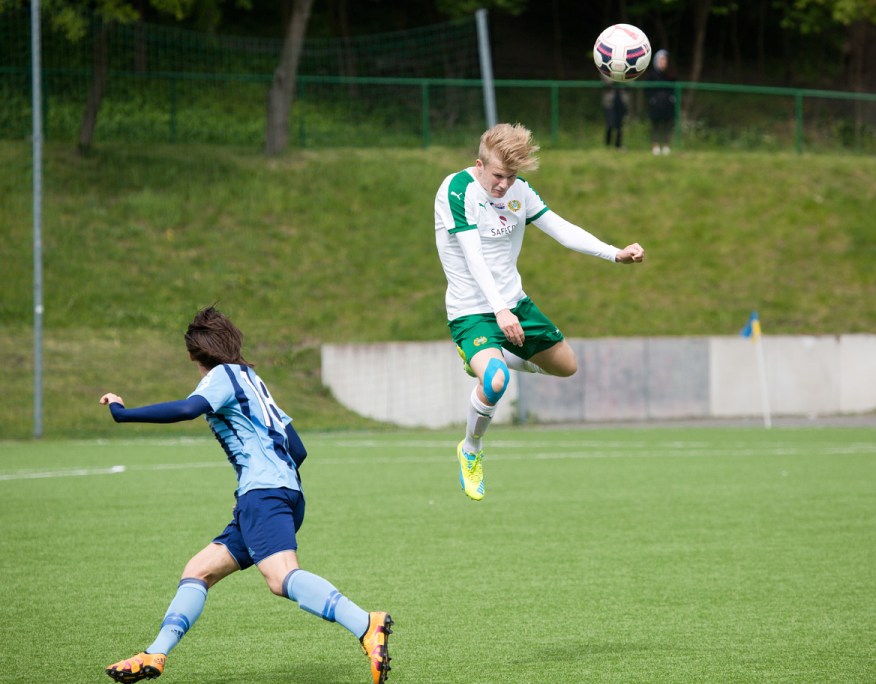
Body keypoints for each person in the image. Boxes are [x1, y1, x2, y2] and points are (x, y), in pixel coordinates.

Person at [99, 306, 393, 684]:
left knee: (280, 577)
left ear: (193, 354)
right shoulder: (252, 380)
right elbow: (297, 448)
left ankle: (366, 623)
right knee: (198, 571)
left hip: (263, 495)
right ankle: (155, 653)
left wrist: (123, 413)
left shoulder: (221, 377)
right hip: (282, 493)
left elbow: (189, 409)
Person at [433, 123, 645, 501]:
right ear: (479, 165)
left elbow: (561, 230)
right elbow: (473, 256)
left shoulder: (519, 191)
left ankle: (485, 358)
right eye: (498, 176)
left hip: (515, 304)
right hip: (472, 310)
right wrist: (500, 312)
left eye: (511, 177)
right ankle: (471, 449)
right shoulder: (456, 190)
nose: (504, 185)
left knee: (566, 366)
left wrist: (615, 253)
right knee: (495, 380)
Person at [645, 49, 676, 155]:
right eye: (661, 60)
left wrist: (672, 98)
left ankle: (666, 146)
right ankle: (655, 146)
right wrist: (652, 99)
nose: (664, 62)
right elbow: (647, 89)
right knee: (656, 125)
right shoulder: (652, 75)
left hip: (667, 105)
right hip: (656, 105)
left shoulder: (670, 74)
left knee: (667, 125)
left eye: (665, 60)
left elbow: (674, 88)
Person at [602, 80, 629, 150]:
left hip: (621, 102)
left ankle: (618, 145)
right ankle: (607, 145)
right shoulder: (607, 72)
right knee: (610, 125)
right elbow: (606, 81)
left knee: (620, 126)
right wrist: (617, 78)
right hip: (610, 103)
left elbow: (630, 81)